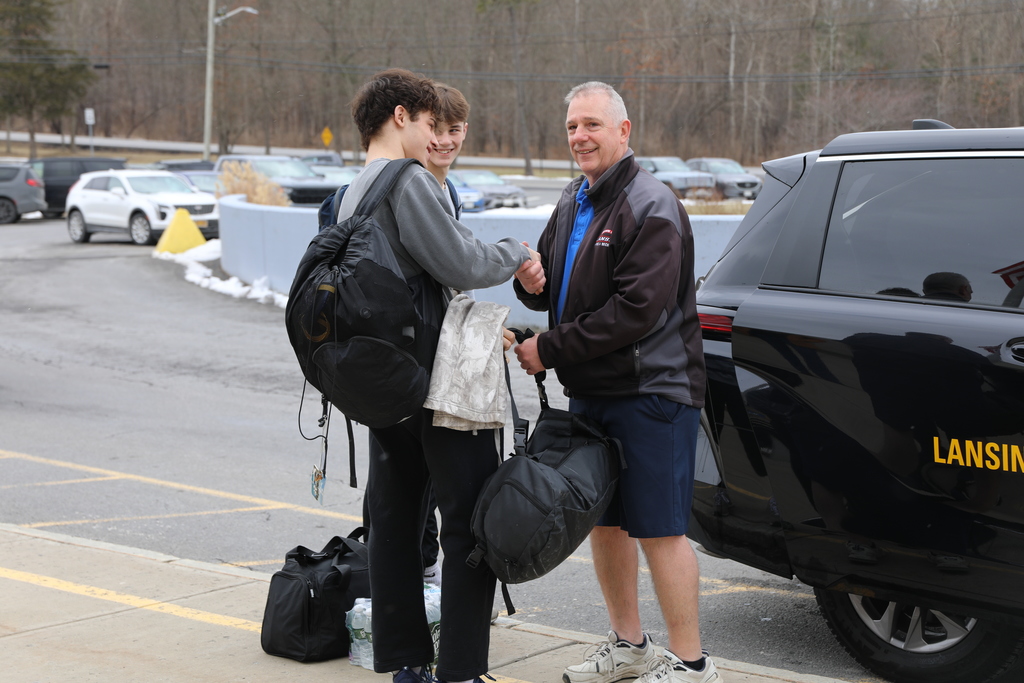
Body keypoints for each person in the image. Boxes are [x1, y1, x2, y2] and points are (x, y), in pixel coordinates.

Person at [343, 68, 545, 683]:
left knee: (395, 524)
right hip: (440, 382)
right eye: (431, 123)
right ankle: (460, 669)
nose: (438, 136)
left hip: (384, 384)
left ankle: (406, 665)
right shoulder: (407, 180)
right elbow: (459, 261)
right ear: (401, 116)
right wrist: (517, 250)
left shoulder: (352, 190)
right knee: (469, 523)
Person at [513, 82, 719, 683]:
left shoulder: (652, 204)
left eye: (593, 125)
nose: (580, 136)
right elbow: (562, 289)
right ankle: (629, 648)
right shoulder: (575, 199)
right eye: (573, 125)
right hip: (594, 392)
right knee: (604, 523)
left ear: (624, 131)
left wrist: (547, 348)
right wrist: (532, 283)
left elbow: (637, 310)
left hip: (652, 392)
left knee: (660, 530)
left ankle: (692, 666)